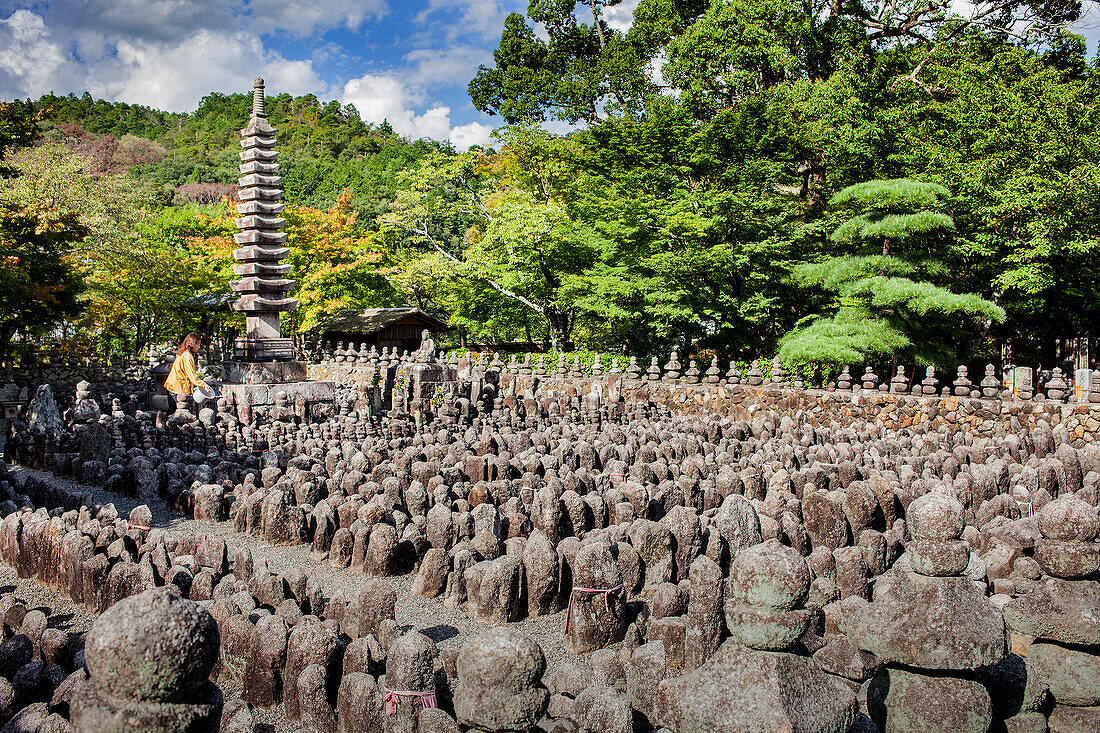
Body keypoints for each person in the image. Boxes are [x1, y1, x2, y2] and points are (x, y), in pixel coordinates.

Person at [164, 332, 212, 412]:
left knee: (172, 412)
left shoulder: (183, 352)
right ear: (192, 344)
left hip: (173, 386)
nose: (198, 347)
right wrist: (203, 385)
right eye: (198, 344)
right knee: (178, 412)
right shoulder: (187, 356)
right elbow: (192, 376)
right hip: (177, 388)